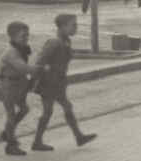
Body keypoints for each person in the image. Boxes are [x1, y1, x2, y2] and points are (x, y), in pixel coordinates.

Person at [31, 12, 97, 151]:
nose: (76, 28)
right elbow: (40, 61)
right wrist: (40, 75)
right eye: (73, 25)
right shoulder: (54, 42)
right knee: (48, 111)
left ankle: (79, 136)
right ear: (61, 27)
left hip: (59, 82)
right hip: (48, 83)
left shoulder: (66, 41)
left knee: (66, 107)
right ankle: (37, 142)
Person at [0, 21, 41, 156]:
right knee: (10, 115)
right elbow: (23, 68)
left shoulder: (20, 50)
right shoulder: (11, 53)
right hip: (8, 86)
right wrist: (39, 69)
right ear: (13, 37)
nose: (26, 38)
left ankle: (6, 133)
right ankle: (11, 145)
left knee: (24, 109)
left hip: (18, 85)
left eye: (27, 35)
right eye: (23, 36)